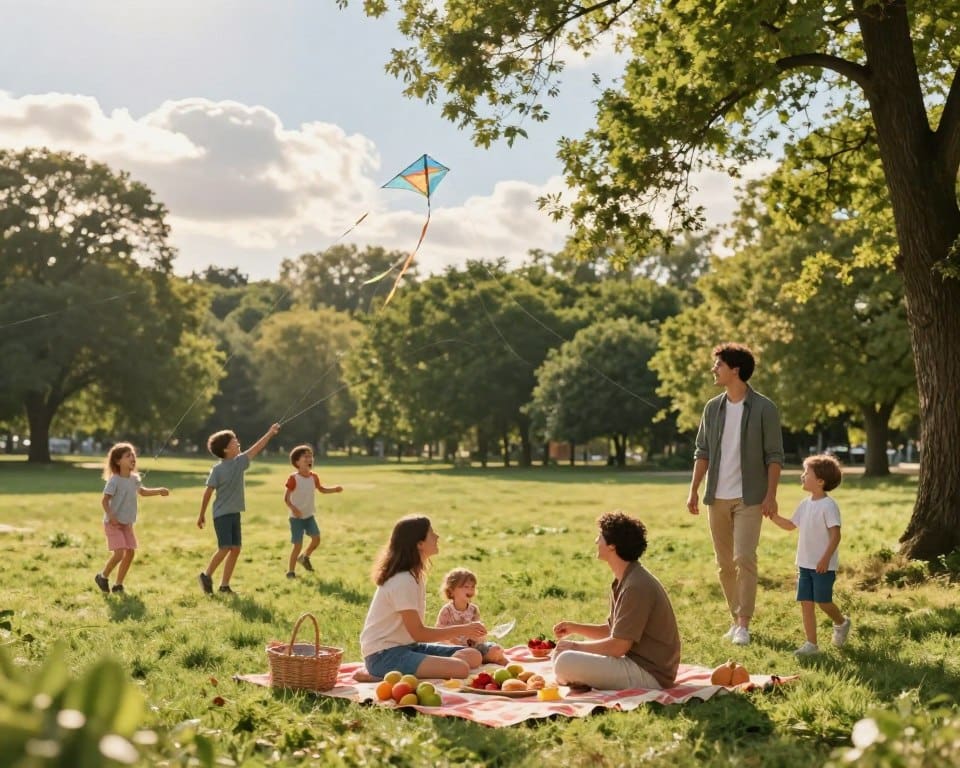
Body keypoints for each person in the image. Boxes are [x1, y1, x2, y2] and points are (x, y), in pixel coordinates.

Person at [686, 342, 784, 646]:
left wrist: (771, 495)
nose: (714, 369)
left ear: (735, 370)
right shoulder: (712, 408)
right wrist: (693, 490)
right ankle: (735, 618)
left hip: (750, 498)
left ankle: (744, 623)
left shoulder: (764, 408)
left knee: (744, 557)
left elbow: (774, 456)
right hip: (717, 496)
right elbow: (702, 451)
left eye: (718, 365)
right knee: (724, 563)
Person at [552, 511, 681, 691]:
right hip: (634, 663)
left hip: (650, 675)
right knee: (561, 655)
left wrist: (575, 646)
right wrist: (574, 628)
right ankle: (580, 676)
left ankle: (577, 677)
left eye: (600, 537)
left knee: (565, 661)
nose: (596, 541)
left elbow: (618, 646)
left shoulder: (636, 586)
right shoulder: (626, 579)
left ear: (612, 545)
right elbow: (614, 631)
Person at [359, 516, 485, 679]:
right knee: (460, 669)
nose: (437, 536)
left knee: (473, 655)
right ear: (419, 544)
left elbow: (414, 638)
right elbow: (418, 633)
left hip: (408, 647)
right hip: (383, 656)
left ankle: (412, 671)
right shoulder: (403, 580)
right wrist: (463, 629)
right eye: (431, 533)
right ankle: (381, 674)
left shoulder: (415, 576)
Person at [768, 454, 852, 656]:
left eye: (807, 473)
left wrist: (824, 559)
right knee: (806, 603)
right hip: (804, 564)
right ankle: (811, 644)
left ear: (820, 481)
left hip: (823, 566)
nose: (802, 476)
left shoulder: (828, 506)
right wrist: (773, 516)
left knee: (823, 602)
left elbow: (835, 535)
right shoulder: (805, 504)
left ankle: (841, 622)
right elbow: (790, 525)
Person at [196, 423, 280, 594]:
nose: (237, 441)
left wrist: (270, 433)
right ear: (226, 449)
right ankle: (206, 575)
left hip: (234, 513)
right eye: (234, 440)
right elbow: (208, 492)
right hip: (221, 514)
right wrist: (201, 514)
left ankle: (224, 586)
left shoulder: (240, 462)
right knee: (225, 547)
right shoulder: (217, 470)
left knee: (236, 549)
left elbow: (256, 448)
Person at [95, 442, 169, 594]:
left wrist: (159, 490)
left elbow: (142, 492)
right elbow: (104, 500)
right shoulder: (114, 480)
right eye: (128, 455)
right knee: (120, 553)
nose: (132, 457)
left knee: (130, 552)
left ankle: (118, 585)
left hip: (127, 523)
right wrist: (111, 516)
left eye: (133, 455)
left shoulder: (134, 478)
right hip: (113, 523)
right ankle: (102, 576)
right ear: (117, 461)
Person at [283, 444, 343, 578]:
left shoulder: (313, 477)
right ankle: (291, 572)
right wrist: (294, 509)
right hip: (296, 518)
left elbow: (321, 489)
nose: (309, 459)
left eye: (310, 456)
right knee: (297, 545)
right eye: (305, 457)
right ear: (297, 462)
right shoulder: (293, 478)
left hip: (309, 516)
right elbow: (286, 498)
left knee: (316, 539)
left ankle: (304, 557)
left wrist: (334, 489)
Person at [436, 568, 507, 665]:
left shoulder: (473, 609)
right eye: (466, 586)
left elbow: (478, 633)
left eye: (473, 587)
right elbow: (439, 632)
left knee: (496, 649)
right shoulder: (447, 611)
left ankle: (484, 659)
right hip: (453, 649)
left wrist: (479, 636)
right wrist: (452, 639)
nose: (471, 589)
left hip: (473, 648)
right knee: (458, 657)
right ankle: (477, 660)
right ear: (451, 591)